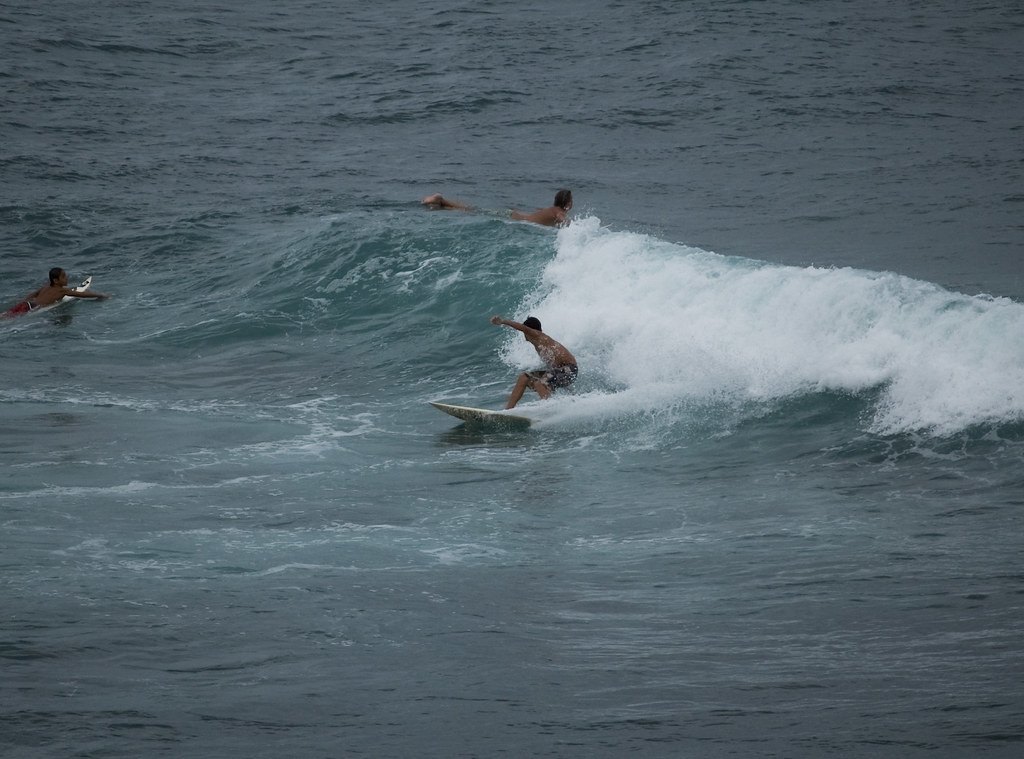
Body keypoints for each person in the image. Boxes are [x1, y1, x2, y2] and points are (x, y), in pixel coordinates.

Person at [490, 314, 578, 408]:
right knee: (524, 377)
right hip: (562, 372)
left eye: (525, 331)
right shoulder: (540, 343)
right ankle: (508, 410)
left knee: (540, 383)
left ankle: (550, 410)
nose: (524, 334)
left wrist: (503, 321)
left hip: (570, 369)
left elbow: (523, 328)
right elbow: (554, 371)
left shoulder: (537, 335)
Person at [422, 189, 573, 227]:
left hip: (512, 214)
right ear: (567, 202)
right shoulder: (558, 212)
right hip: (511, 217)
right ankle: (441, 200)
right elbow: (564, 221)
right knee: (471, 210)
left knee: (472, 210)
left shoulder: (551, 209)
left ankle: (440, 205)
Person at [2, 267, 109, 318]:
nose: (66, 278)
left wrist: (24, 301)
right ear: (56, 280)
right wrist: (100, 295)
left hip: (26, 305)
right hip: (32, 308)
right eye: (63, 277)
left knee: (4, 316)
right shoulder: (61, 290)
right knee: (7, 319)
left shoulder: (46, 287)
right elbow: (82, 294)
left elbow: (33, 294)